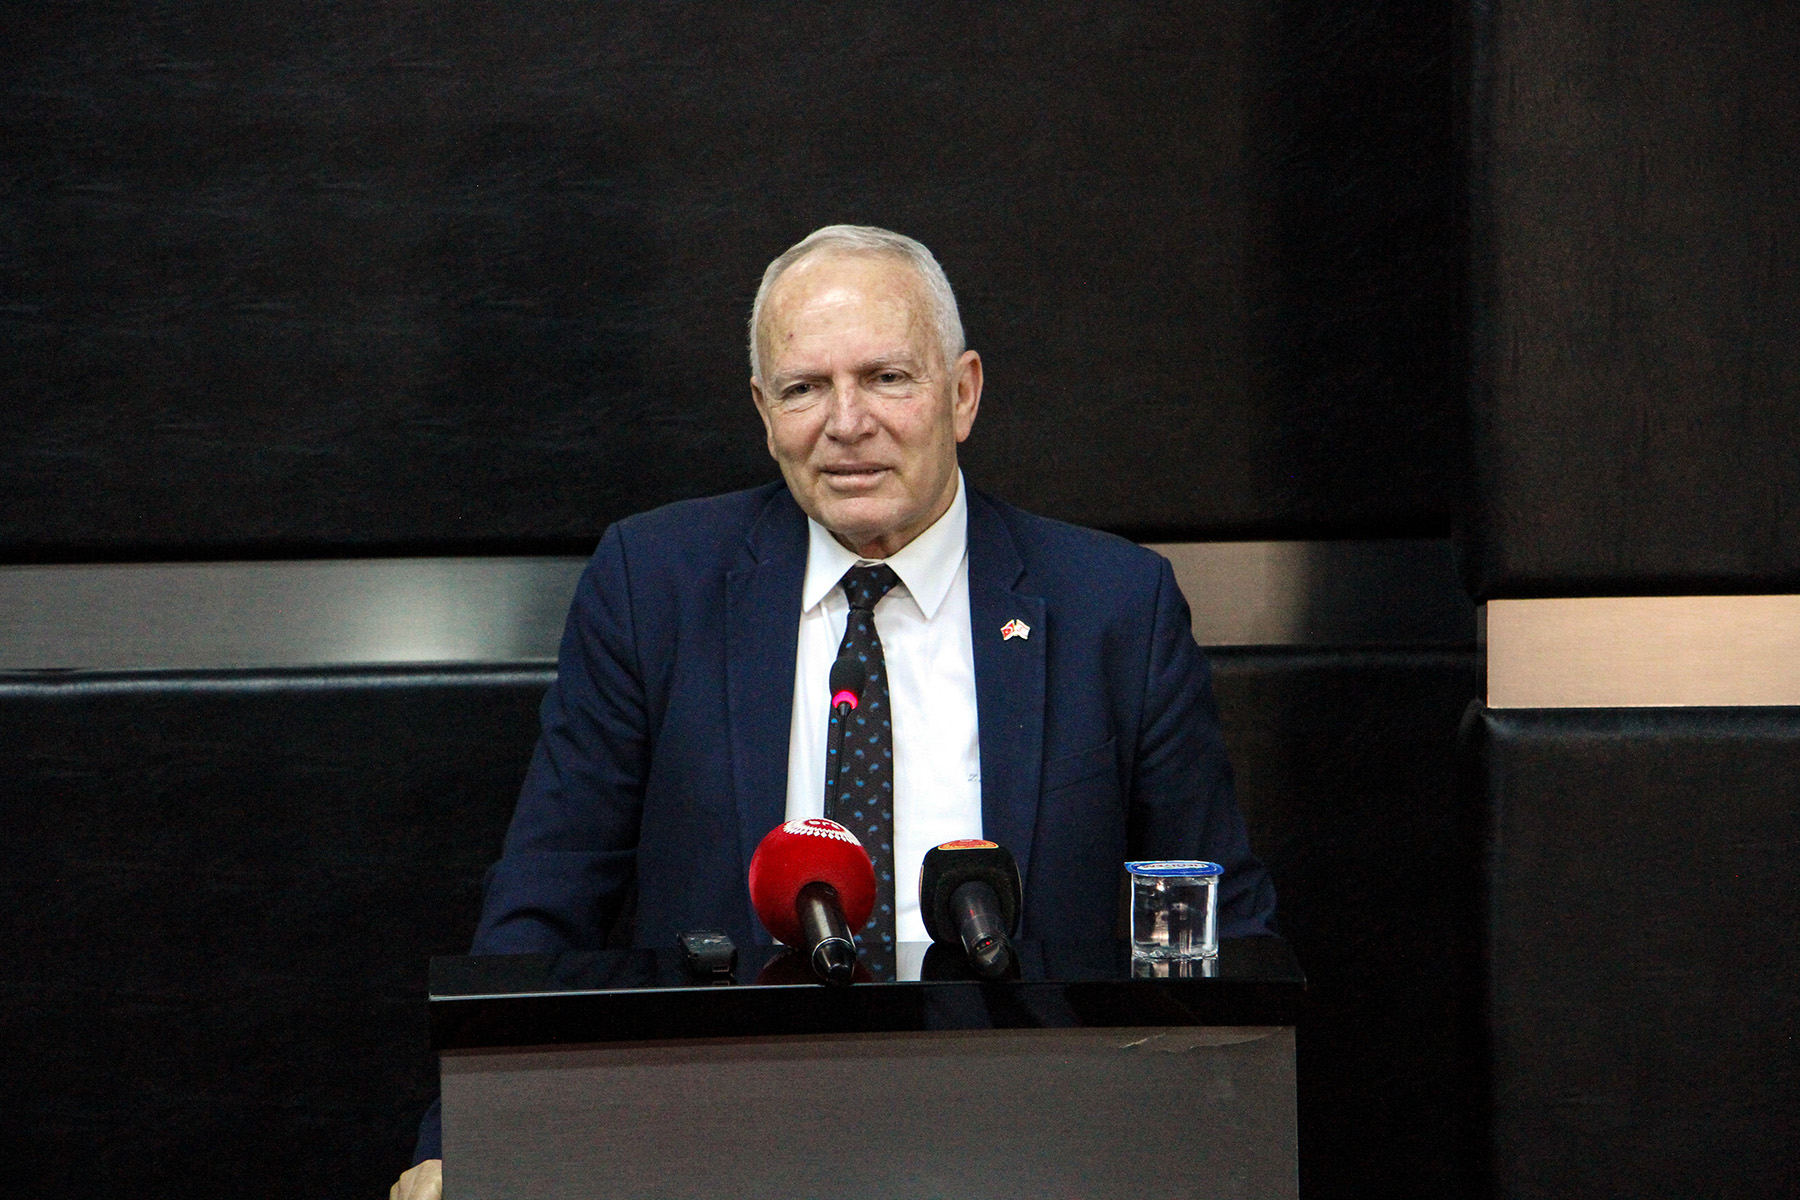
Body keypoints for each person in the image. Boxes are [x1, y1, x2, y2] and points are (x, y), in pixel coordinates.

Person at [390, 225, 1275, 1200]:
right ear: (764, 413)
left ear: (963, 393)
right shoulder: (655, 585)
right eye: (805, 388)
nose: (846, 423)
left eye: (887, 378)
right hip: (721, 1147)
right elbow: (548, 897)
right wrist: (462, 1140)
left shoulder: (1113, 606)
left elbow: (1218, 922)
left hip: (1035, 1143)